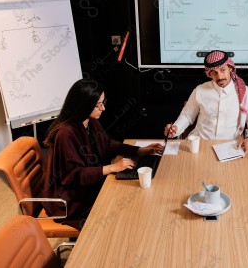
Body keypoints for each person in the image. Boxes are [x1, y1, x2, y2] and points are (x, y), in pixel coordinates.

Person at [42, 79, 164, 230]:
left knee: (127, 194)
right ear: (84, 105)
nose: (103, 108)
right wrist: (112, 168)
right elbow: (74, 175)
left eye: (103, 102)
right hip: (72, 199)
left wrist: (139, 150)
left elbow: (107, 144)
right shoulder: (66, 133)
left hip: (87, 186)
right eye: (98, 105)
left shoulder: (89, 121)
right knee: (119, 206)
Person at [164, 50, 248, 153]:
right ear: (209, 74)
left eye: (222, 70)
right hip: (200, 145)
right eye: (214, 73)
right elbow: (187, 116)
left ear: (230, 68)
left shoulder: (247, 93)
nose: (220, 77)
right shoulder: (200, 90)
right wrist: (176, 128)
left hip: (231, 147)